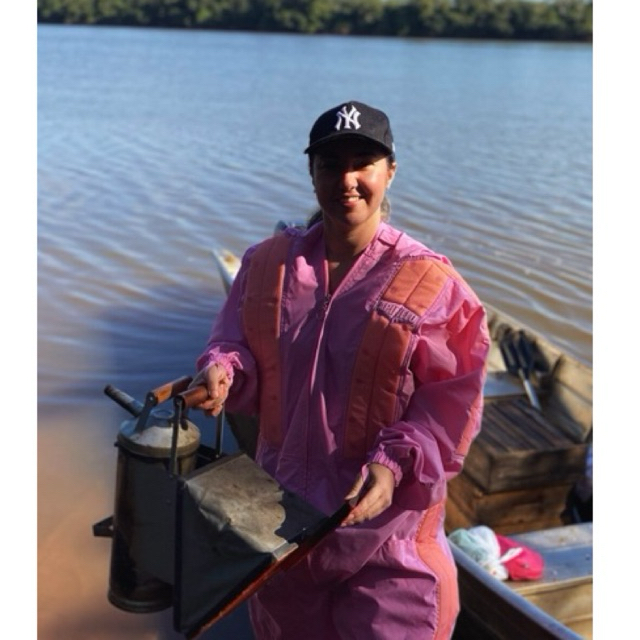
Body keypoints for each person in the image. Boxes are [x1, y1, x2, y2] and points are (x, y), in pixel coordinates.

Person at [192, 101, 490, 640]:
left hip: (388, 546)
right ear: (312, 173)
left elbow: (450, 406)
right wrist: (222, 369)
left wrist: (395, 464)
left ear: (390, 171)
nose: (347, 180)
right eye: (331, 165)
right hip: (283, 530)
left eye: (363, 164)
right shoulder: (266, 264)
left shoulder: (432, 286)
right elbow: (234, 342)